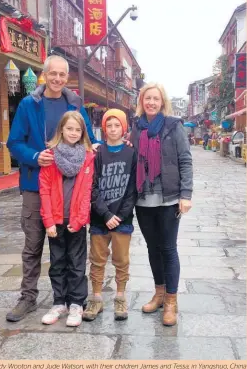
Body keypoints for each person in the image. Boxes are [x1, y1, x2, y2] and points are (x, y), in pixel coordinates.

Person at [6, 55, 99, 322]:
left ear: (66, 77)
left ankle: (72, 300)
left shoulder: (75, 104)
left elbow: (89, 141)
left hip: (70, 190)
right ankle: (28, 297)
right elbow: (14, 142)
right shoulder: (29, 104)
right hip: (37, 184)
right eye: (52, 73)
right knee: (33, 243)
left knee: (71, 248)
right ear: (43, 75)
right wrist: (36, 157)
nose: (57, 78)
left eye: (62, 74)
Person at [131, 83, 193, 327]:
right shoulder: (136, 127)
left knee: (168, 248)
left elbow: (185, 161)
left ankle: (171, 301)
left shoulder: (173, 126)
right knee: (152, 248)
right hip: (143, 198)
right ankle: (158, 292)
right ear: (142, 102)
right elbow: (132, 156)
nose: (152, 103)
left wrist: (185, 194)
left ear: (162, 102)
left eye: (156, 99)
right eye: (148, 99)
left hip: (168, 198)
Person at [39, 111, 95, 327]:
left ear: (83, 132)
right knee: (57, 262)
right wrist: (48, 221)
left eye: (77, 129)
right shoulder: (50, 157)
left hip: (76, 221)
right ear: (61, 129)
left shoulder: (88, 157)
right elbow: (44, 190)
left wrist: (81, 218)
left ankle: (76, 303)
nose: (73, 133)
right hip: (55, 220)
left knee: (77, 263)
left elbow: (88, 191)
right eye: (69, 128)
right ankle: (59, 301)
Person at [83, 109, 137, 322]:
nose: (113, 130)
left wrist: (120, 216)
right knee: (97, 260)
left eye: (117, 126)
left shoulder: (131, 153)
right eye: (109, 126)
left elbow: (133, 189)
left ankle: (120, 297)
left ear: (124, 129)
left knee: (121, 260)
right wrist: (105, 214)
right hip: (99, 218)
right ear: (104, 129)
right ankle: (96, 298)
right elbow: (92, 186)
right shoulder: (98, 153)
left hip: (123, 219)